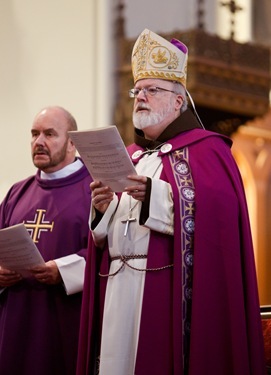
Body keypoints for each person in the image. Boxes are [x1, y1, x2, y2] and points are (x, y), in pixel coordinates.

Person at [77, 29, 266, 375]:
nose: (141, 98)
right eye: (138, 90)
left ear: (178, 101)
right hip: (117, 289)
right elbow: (109, 234)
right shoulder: (129, 156)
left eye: (152, 90)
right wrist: (102, 212)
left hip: (163, 291)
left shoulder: (209, 152)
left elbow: (217, 220)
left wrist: (157, 197)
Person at [0, 106, 92, 375]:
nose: (39, 142)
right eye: (34, 134)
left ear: (72, 142)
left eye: (50, 134)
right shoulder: (18, 193)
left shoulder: (95, 189)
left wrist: (62, 272)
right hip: (14, 326)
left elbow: (109, 254)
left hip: (64, 323)